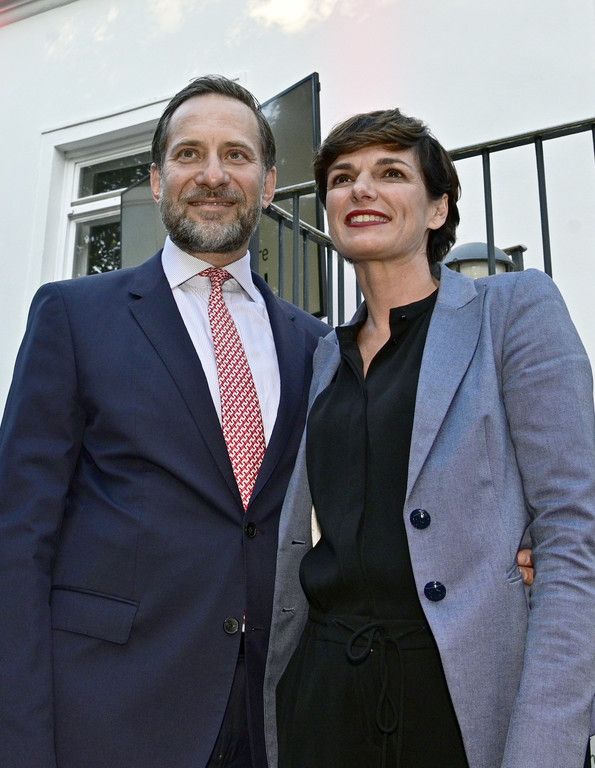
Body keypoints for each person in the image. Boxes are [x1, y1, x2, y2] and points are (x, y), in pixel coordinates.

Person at [0, 75, 328, 768]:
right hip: (107, 714)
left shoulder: (312, 344)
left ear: (269, 184)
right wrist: (20, 739)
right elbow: (17, 538)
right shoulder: (73, 316)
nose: (213, 175)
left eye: (236, 155)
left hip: (271, 717)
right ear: (156, 180)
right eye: (188, 154)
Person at [264, 108, 595, 768]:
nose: (361, 188)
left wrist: (544, 747)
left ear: (438, 209)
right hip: (322, 696)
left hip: (460, 700)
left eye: (390, 173)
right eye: (342, 177)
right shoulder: (320, 355)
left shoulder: (512, 311)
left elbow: (571, 529)